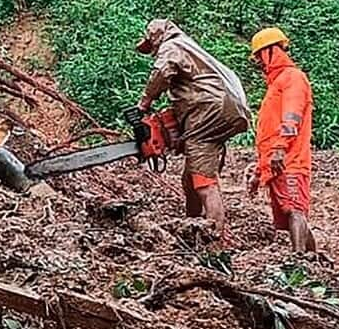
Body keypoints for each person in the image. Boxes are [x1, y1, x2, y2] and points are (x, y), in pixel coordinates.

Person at [134, 19, 252, 245]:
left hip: (208, 112)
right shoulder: (193, 50)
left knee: (204, 183)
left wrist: (144, 102)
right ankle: (192, 226)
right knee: (190, 179)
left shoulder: (173, 45)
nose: (152, 52)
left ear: (157, 36)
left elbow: (161, 71)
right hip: (221, 110)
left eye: (151, 46)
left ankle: (215, 243)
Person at [247, 27, 316, 253]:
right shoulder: (275, 85)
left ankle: (299, 259)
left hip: (290, 160)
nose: (257, 62)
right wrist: (259, 170)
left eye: (258, 55)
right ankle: (313, 259)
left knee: (295, 211)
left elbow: (292, 115)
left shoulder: (293, 79)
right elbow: (269, 133)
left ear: (271, 51)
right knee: (289, 214)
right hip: (277, 162)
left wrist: (279, 148)